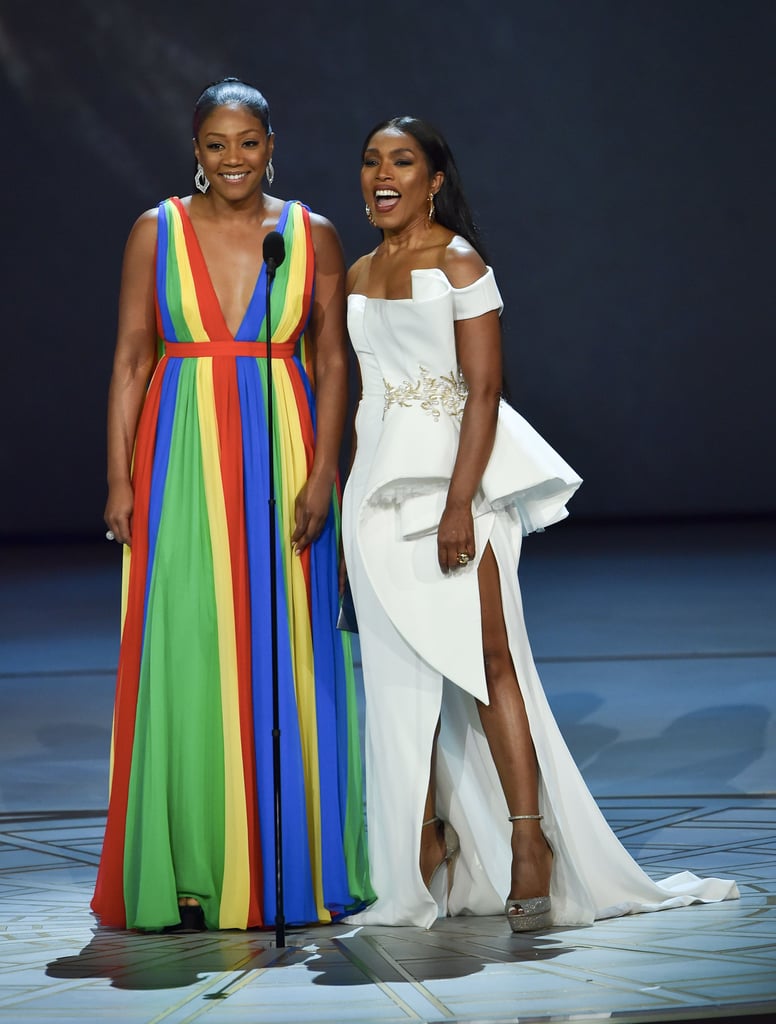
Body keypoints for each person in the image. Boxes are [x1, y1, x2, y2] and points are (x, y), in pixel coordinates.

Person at [340, 116, 738, 930]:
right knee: (393, 676)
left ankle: (530, 843)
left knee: (487, 663)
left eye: (403, 162)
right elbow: (370, 393)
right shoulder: (356, 271)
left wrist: (459, 502)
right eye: (373, 162)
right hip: (374, 493)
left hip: (456, 490)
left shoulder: (460, 264)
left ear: (435, 178)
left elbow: (484, 392)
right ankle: (421, 844)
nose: (384, 175)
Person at [92, 78, 373, 932]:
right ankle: (191, 867)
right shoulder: (157, 230)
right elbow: (134, 357)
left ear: (272, 144)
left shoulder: (312, 233)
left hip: (285, 447)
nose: (233, 159)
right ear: (196, 150)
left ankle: (291, 861)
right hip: (179, 453)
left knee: (291, 649)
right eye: (216, 143)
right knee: (186, 650)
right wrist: (118, 476)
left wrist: (325, 470)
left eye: (247, 142)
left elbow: (331, 363)